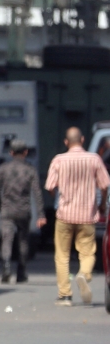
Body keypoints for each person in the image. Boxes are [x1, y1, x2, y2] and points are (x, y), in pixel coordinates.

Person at [43, 127, 109, 306]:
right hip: (87, 215)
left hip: (64, 215)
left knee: (62, 255)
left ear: (66, 142)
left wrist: (58, 194)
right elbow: (104, 185)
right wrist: (102, 204)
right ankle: (84, 274)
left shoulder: (58, 160)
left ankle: (65, 296)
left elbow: (50, 186)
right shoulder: (94, 159)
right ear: (83, 140)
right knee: (87, 252)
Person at [0, 139, 44, 284]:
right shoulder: (30, 170)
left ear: (11, 152)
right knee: (23, 241)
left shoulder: (3, 169)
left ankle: (6, 267)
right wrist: (41, 214)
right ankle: (21, 272)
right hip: (23, 209)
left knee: (6, 239)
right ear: (26, 152)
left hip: (7, 209)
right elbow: (37, 193)